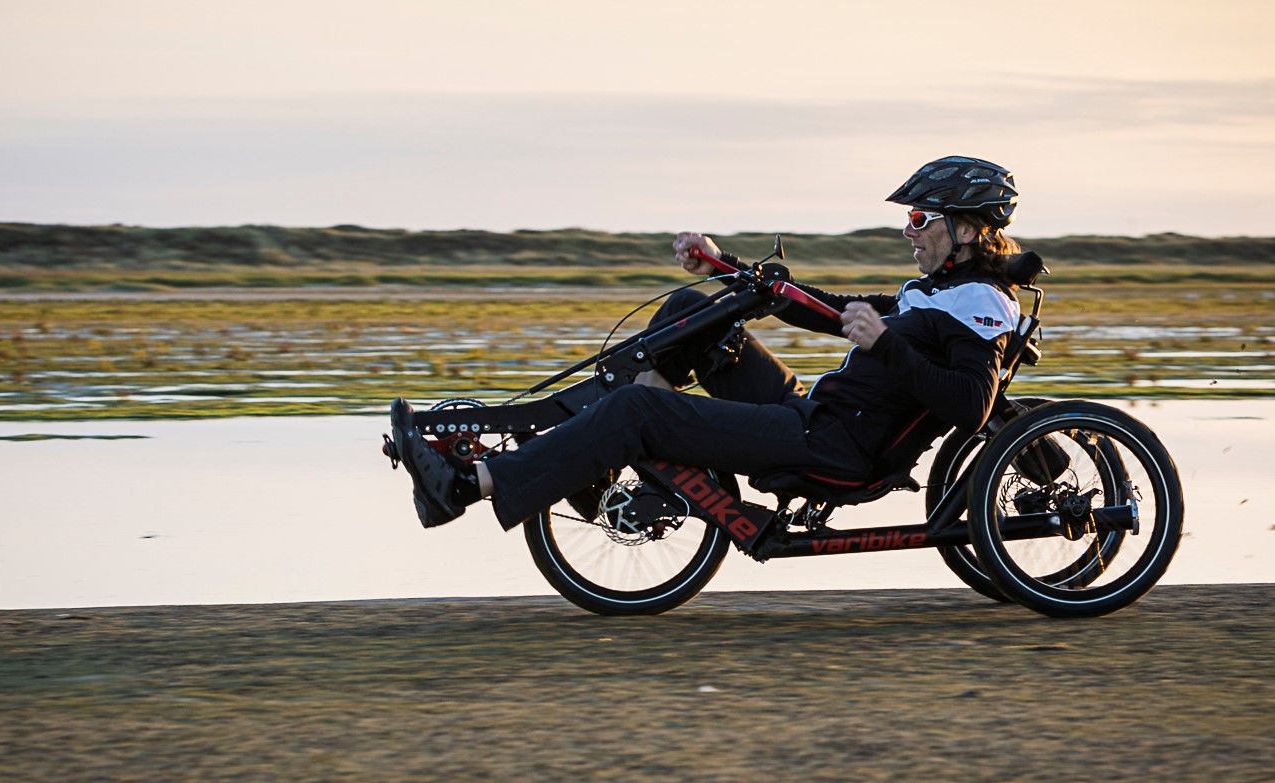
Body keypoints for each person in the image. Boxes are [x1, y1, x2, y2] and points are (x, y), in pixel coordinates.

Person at [392, 156, 1024, 532]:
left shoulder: (981, 303)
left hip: (836, 447)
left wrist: (886, 346)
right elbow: (830, 311)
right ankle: (596, 459)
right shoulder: (930, 292)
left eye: (919, 218)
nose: (908, 231)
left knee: (637, 410)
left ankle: (468, 486)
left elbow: (971, 404)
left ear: (968, 230)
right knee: (691, 312)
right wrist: (726, 268)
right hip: (815, 414)